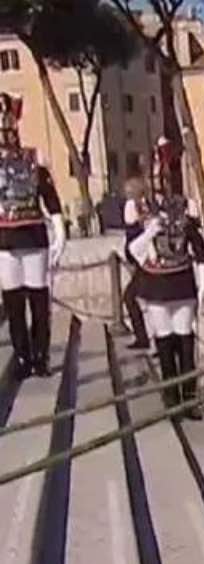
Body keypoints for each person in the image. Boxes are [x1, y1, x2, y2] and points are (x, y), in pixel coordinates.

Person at [127, 138, 204, 419]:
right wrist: (150, 231)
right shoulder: (142, 210)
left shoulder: (187, 207)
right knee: (165, 342)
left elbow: (199, 248)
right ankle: (172, 398)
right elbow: (134, 251)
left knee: (185, 342)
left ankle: (189, 397)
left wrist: (203, 285)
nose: (164, 181)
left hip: (182, 281)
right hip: (157, 283)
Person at [0, 93, 66, 379]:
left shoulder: (33, 162)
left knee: (38, 299)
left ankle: (40, 355)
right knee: (14, 303)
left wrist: (60, 228)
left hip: (34, 237)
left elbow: (49, 198)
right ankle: (22, 356)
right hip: (4, 239)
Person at [121, 176, 152, 350]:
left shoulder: (134, 206)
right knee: (135, 298)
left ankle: (144, 338)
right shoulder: (142, 206)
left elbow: (134, 229)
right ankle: (145, 337)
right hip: (140, 262)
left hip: (142, 263)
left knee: (130, 297)